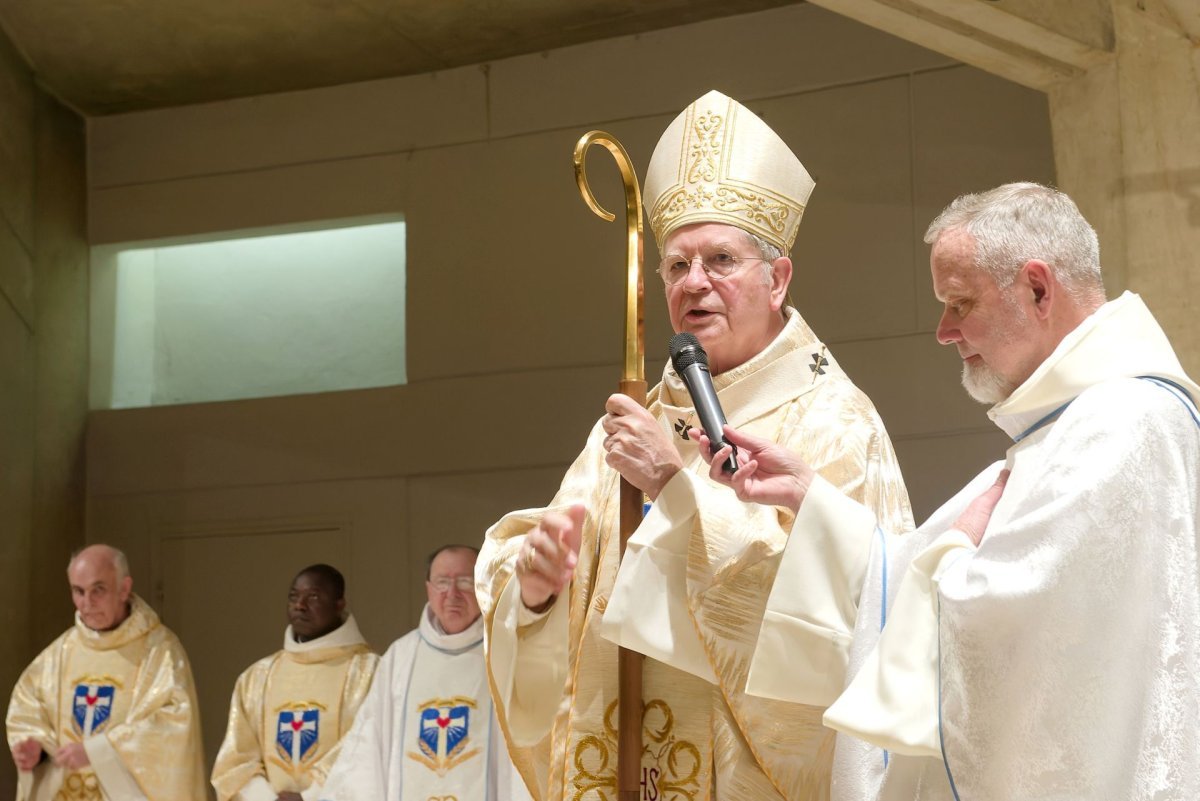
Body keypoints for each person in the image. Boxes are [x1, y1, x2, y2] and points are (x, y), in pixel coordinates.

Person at [694, 182, 1200, 800]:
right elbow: (916, 572)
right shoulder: (1074, 423)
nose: (943, 331)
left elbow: (1008, 623)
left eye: (960, 303)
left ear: (1038, 289)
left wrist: (953, 554)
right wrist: (807, 497)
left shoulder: (1121, 424)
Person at [476, 89, 914, 801]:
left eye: (720, 259)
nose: (695, 283)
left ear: (778, 278)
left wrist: (672, 490)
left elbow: (848, 622)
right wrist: (535, 593)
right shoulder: (638, 419)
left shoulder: (835, 421)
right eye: (677, 266)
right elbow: (558, 571)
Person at [320, 545, 529, 801]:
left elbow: (529, 750)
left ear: (484, 585)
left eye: (465, 582)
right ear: (428, 589)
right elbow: (367, 750)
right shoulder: (400, 657)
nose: (452, 594)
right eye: (442, 582)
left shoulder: (508, 652)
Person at [6, 544, 206, 801]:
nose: (86, 603)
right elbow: (27, 710)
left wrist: (98, 752)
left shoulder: (161, 653)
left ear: (124, 588)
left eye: (98, 590)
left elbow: (173, 725)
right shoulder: (56, 656)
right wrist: (37, 747)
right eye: (78, 591)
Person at [211, 564, 379, 801]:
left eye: (313, 596)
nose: (300, 605)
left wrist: (310, 796)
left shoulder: (370, 672)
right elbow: (234, 761)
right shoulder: (257, 677)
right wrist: (266, 798)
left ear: (339, 604)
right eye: (293, 597)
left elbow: (368, 746)